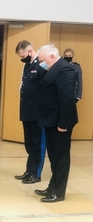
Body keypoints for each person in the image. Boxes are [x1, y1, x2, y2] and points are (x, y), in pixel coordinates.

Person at [35, 44, 78, 202]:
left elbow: (67, 99)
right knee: (53, 156)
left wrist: (63, 123)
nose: (42, 64)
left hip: (60, 122)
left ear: (52, 57)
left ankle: (58, 192)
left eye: (43, 61)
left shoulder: (64, 69)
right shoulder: (53, 68)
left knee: (60, 158)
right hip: (50, 120)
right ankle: (52, 186)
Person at [14, 40, 46, 184]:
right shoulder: (28, 65)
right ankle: (29, 171)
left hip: (37, 113)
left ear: (30, 51)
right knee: (29, 143)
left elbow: (44, 90)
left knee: (37, 144)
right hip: (27, 111)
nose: (22, 59)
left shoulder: (41, 65)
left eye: (23, 56)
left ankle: (36, 173)